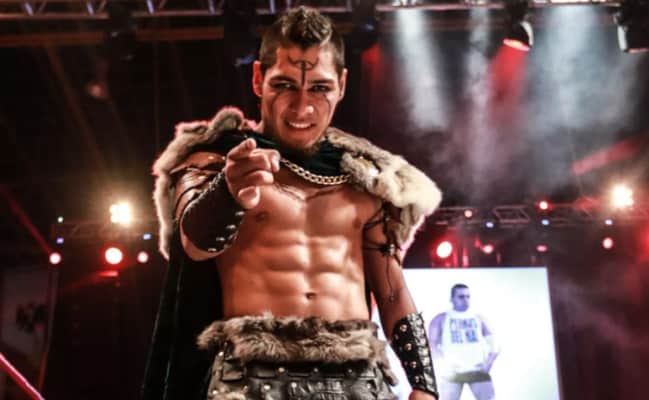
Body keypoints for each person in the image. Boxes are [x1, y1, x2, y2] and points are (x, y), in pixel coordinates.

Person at [142, 6, 442, 400]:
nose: (302, 108)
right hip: (252, 380)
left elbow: (392, 291)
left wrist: (425, 385)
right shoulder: (214, 161)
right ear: (258, 79)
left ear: (342, 84)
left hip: (357, 381)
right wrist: (228, 192)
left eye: (319, 88)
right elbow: (193, 244)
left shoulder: (368, 181)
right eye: (284, 85)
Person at [428, 284, 499, 400]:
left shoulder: (479, 318)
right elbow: (432, 345)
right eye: (461, 297)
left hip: (477, 370)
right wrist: (444, 365)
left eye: (468, 296)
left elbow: (495, 343)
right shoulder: (441, 319)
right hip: (452, 373)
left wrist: (488, 363)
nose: (465, 300)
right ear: (452, 299)